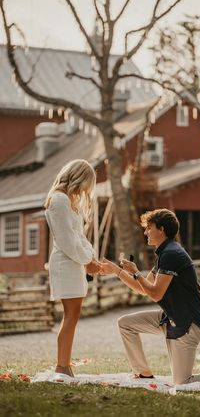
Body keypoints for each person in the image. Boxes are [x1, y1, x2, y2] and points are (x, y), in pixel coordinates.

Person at [101, 208, 200, 386]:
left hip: (187, 324)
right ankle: (143, 373)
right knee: (126, 324)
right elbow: (142, 288)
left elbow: (155, 293)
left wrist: (135, 272)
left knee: (182, 383)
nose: (145, 232)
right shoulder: (165, 253)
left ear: (161, 229)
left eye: (149, 227)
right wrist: (117, 271)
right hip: (171, 319)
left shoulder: (172, 254)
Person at [45, 159, 101, 377]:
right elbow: (67, 239)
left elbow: (79, 236)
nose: (86, 190)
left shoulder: (69, 201)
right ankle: (62, 365)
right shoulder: (58, 200)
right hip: (65, 262)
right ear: (78, 177)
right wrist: (87, 261)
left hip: (74, 261)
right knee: (71, 314)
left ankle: (65, 363)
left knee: (74, 314)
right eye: (87, 184)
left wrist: (91, 257)